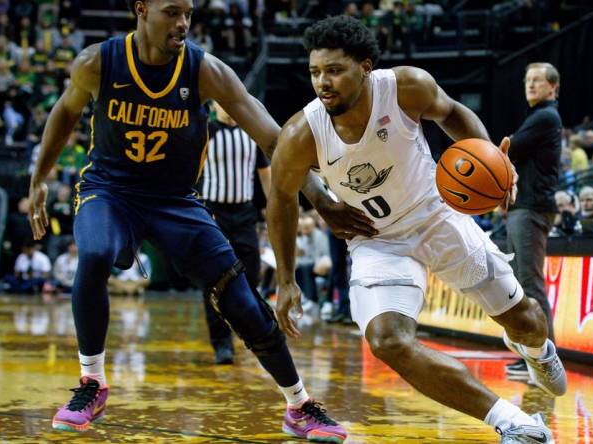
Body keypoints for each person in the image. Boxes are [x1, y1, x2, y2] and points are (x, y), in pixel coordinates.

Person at [28, 2, 360, 441]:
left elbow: (270, 136)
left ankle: (299, 405)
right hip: (110, 192)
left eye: (188, 12)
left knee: (242, 301)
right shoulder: (97, 62)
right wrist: (38, 179)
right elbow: (65, 113)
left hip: (175, 201)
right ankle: (92, 382)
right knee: (93, 253)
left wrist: (319, 197)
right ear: (141, 11)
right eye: (172, 12)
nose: (183, 22)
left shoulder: (205, 70)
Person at [267, 16, 564, 443]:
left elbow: (456, 114)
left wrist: (493, 165)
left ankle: (537, 350)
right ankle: (514, 423)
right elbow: (280, 198)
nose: (322, 82)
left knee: (526, 319)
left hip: (436, 217)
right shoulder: (303, 132)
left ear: (365, 67)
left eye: (334, 70)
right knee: (387, 340)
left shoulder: (406, 86)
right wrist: (286, 278)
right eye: (315, 72)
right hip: (377, 240)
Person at [197, 100, 271, 365]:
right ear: (215, 106)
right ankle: (221, 344)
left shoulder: (251, 131)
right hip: (213, 211)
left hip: (244, 212)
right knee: (213, 280)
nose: (227, 107)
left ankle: (245, 329)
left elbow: (265, 173)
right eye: (220, 102)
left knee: (250, 276)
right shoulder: (205, 130)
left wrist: (273, 206)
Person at [504, 62, 562, 380]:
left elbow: (507, 148)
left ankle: (545, 360)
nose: (531, 85)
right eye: (528, 80)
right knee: (522, 288)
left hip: (532, 208)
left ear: (553, 86)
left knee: (531, 287)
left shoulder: (545, 116)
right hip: (522, 207)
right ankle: (532, 356)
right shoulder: (537, 117)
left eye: (538, 80)